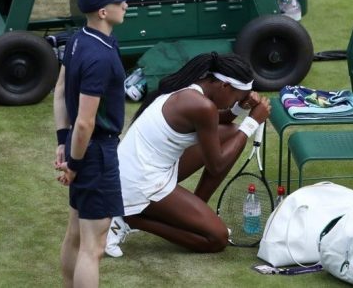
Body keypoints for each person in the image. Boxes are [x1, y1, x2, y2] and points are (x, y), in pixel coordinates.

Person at [105, 52, 271, 257]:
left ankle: (194, 211)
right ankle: (131, 219)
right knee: (216, 238)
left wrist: (239, 105)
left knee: (229, 133)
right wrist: (251, 122)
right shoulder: (202, 106)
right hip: (138, 183)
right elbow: (216, 166)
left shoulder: (192, 90)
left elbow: (221, 120)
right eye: (236, 96)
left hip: (136, 170)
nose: (235, 101)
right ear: (224, 86)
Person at [53, 0, 135, 287]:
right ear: (103, 11)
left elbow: (60, 92)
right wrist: (74, 163)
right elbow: (86, 123)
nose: (125, 4)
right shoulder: (100, 56)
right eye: (119, 1)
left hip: (81, 149)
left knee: (75, 235)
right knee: (93, 247)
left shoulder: (77, 40)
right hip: (95, 154)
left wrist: (63, 141)